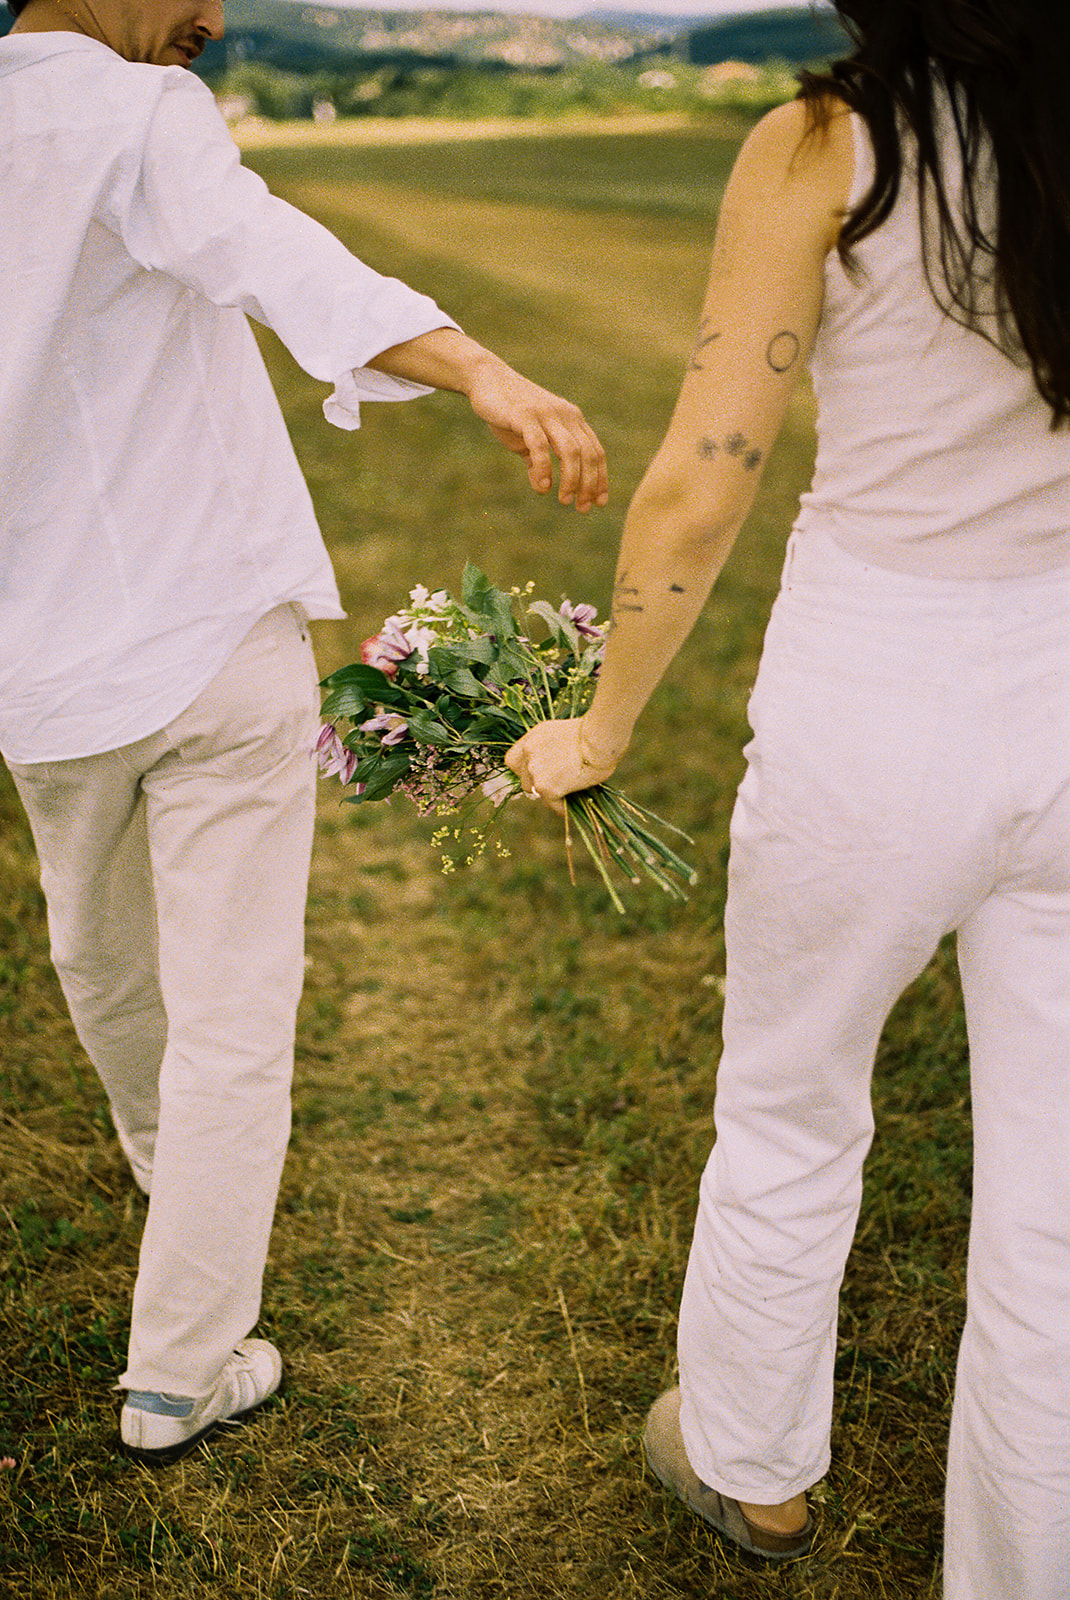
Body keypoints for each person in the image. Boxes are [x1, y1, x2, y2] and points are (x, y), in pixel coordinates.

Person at [507, 2, 1070, 1593]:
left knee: (789, 1097)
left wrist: (601, 725)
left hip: (877, 693)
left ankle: (751, 1467)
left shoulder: (829, 141)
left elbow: (707, 464)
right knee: (1056, 1205)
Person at [0, 0, 607, 1466]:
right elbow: (282, 256)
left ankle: (179, 1284)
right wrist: (482, 369)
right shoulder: (137, 114)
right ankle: (183, 1346)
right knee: (211, 1017)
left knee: (112, 976)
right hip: (196, 633)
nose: (213, 17)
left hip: (49, 669)